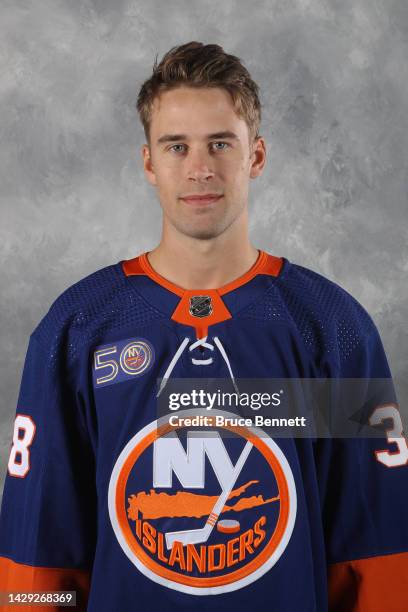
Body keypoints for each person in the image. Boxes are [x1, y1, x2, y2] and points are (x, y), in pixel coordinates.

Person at [0, 41, 407, 612]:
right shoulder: (78, 328)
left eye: (221, 143)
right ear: (148, 163)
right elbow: (37, 560)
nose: (200, 168)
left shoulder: (331, 327)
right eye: (176, 146)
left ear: (256, 156)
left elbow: (377, 554)